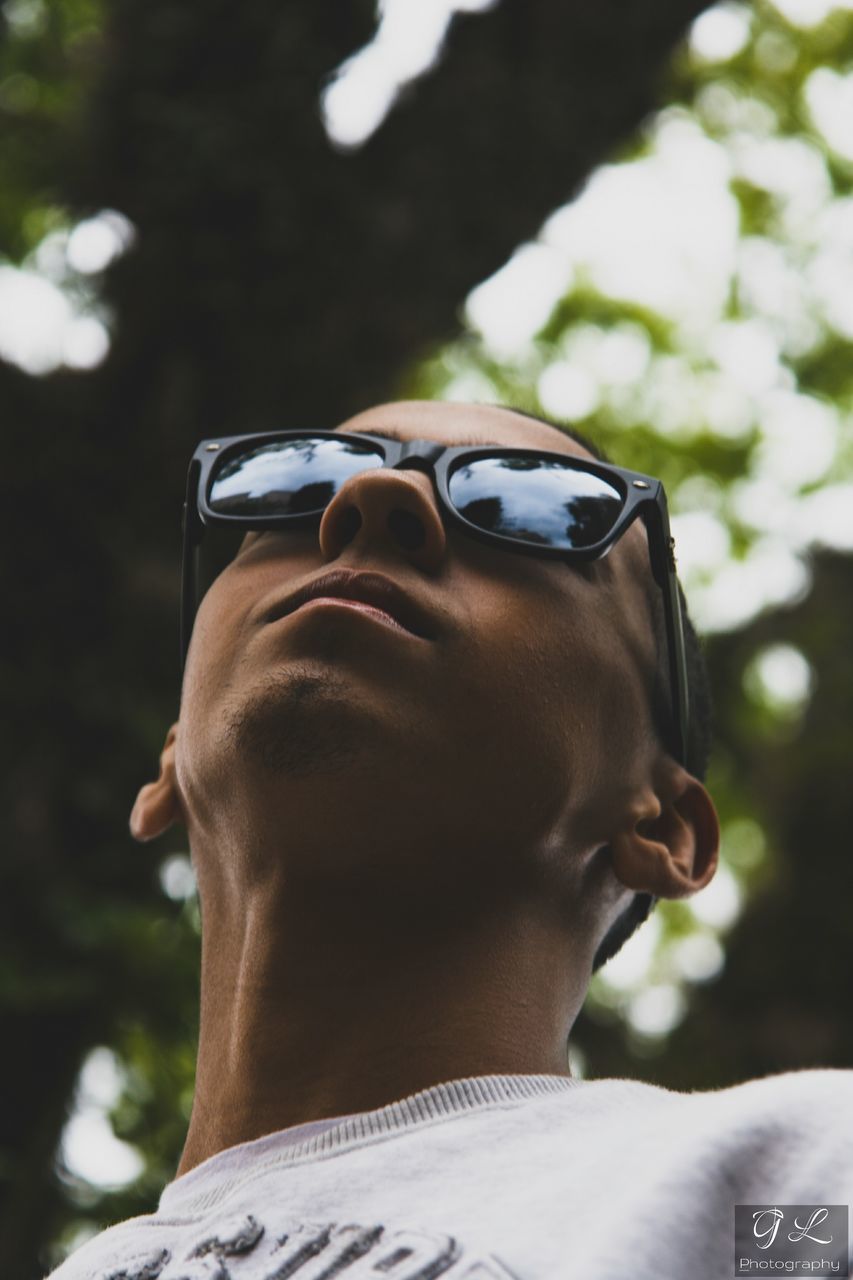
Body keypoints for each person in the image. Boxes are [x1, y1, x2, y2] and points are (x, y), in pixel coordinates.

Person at [48, 401, 852, 1280]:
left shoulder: (776, 1187)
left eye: (527, 508)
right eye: (297, 482)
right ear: (170, 761)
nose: (372, 495)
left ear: (659, 824)